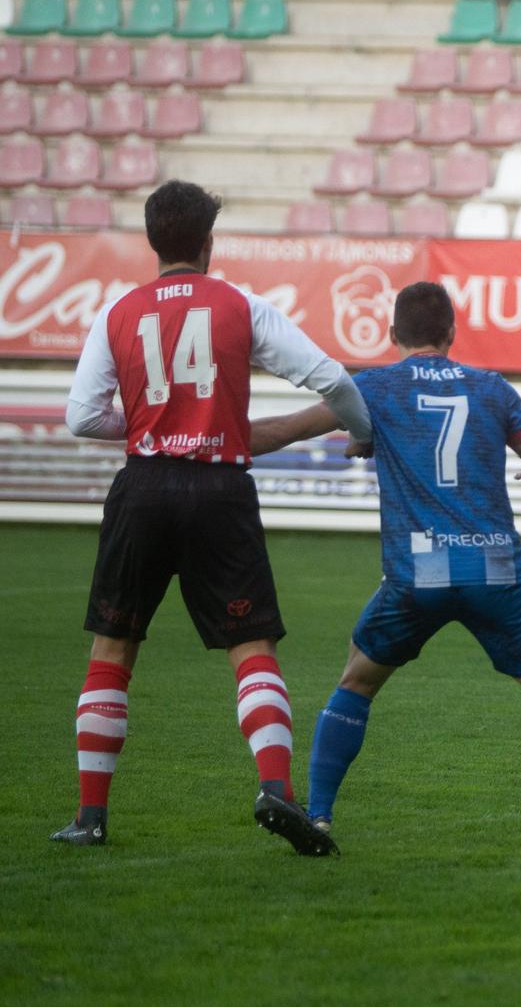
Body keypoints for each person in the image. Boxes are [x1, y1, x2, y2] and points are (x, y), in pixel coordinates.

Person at [246, 284, 521, 857]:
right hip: (495, 566)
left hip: (419, 570)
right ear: (452, 334)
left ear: (391, 335)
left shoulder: (373, 387)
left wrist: (210, 440)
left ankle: (321, 816)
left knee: (357, 681)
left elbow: (286, 430)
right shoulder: (490, 388)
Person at [52, 180, 372, 853]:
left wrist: (144, 425)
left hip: (142, 486)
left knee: (113, 649)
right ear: (208, 243)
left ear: (153, 242)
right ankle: (277, 790)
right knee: (250, 646)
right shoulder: (241, 305)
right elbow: (334, 381)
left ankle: (90, 816)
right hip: (220, 489)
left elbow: (81, 417)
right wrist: (363, 433)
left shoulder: (118, 313)